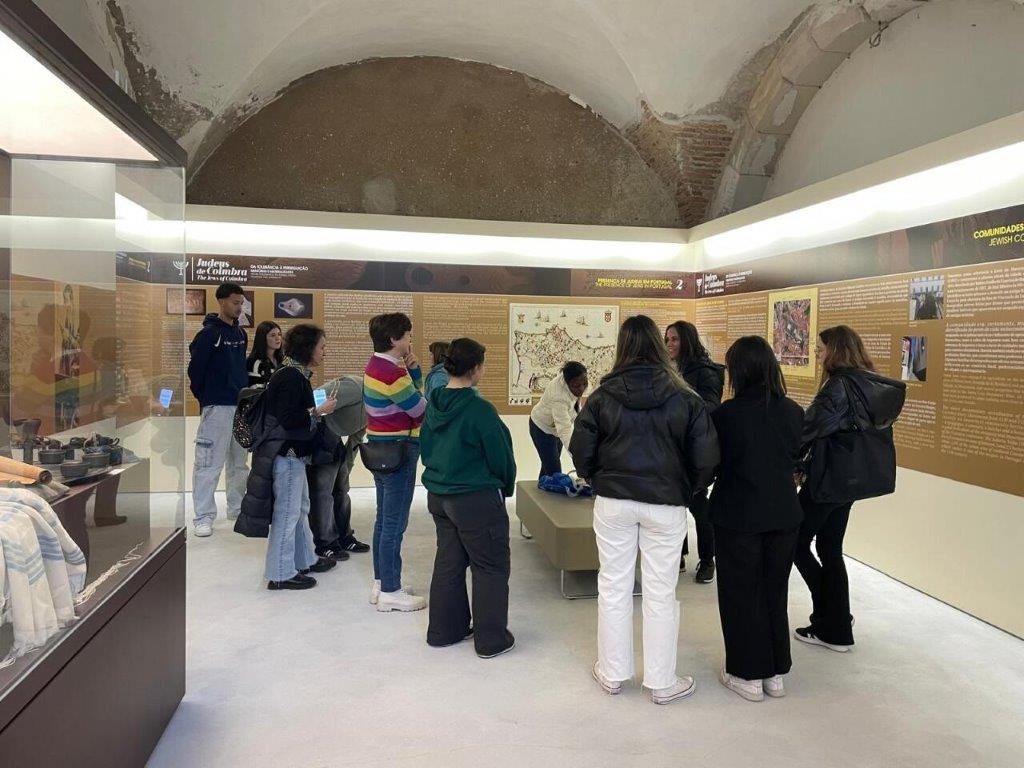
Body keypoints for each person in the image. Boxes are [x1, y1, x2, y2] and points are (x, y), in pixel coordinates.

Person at [569, 315, 719, 705]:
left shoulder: (601, 396)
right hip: (666, 504)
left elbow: (580, 450)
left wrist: (597, 478)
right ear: (657, 344)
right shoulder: (686, 397)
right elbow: (706, 457)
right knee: (661, 591)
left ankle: (612, 673)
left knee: (613, 585)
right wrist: (687, 488)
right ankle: (662, 682)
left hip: (614, 501)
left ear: (623, 346)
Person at [795, 325, 905, 652]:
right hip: (850, 482)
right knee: (830, 548)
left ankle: (834, 619)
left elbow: (807, 429)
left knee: (794, 542)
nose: (816, 353)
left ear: (836, 350)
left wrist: (790, 462)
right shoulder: (869, 384)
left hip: (828, 480)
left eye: (820, 348)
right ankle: (838, 625)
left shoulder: (838, 387)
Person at [709, 336, 804, 702]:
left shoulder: (726, 415)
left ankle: (748, 674)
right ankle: (775, 673)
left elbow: (712, 463)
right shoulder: (793, 411)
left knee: (741, 593)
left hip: (738, 514)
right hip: (783, 513)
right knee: (773, 591)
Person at [421, 338, 517, 658]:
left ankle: (444, 631)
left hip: (439, 495)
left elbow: (426, 448)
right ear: (476, 368)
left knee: (448, 563)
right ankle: (491, 639)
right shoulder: (480, 410)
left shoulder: (433, 403)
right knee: (489, 566)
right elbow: (501, 456)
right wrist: (504, 486)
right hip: (475, 498)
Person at [256, 324, 338, 590]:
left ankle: (304, 558)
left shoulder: (293, 374)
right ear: (308, 348)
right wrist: (318, 411)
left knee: (300, 509)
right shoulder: (291, 376)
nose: (324, 352)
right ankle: (280, 573)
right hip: (287, 454)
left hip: (293, 454)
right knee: (288, 513)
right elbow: (289, 419)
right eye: (322, 347)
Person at [363, 312, 428, 612]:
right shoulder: (392, 373)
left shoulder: (374, 365)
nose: (410, 341)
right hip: (399, 450)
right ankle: (391, 591)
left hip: (380, 449)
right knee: (394, 523)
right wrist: (415, 376)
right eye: (407, 336)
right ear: (394, 339)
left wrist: (412, 372)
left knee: (383, 519)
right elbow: (420, 410)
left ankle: (382, 581)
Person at [187, 283, 250, 537]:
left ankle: (236, 508)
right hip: (217, 408)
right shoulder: (208, 335)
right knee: (208, 464)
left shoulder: (241, 334)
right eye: (235, 302)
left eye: (241, 303)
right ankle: (203, 516)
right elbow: (195, 372)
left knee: (239, 463)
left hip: (240, 407)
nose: (239, 307)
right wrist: (207, 399)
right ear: (222, 302)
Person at [665, 320, 724, 583]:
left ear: (687, 340)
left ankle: (708, 559)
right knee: (674, 503)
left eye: (675, 339)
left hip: (695, 448)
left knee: (699, 506)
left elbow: (711, 407)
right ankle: (679, 554)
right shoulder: (669, 368)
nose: (669, 344)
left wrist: (681, 402)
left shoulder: (706, 371)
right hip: (673, 446)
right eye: (667, 339)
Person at [307, 375, 371, 560]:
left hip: (334, 440)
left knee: (342, 491)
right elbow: (316, 395)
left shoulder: (377, 405)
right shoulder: (355, 388)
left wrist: (347, 467)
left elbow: (356, 439)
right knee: (322, 495)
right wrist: (319, 416)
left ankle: (344, 537)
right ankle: (325, 543)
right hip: (320, 435)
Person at [529, 362, 588, 479]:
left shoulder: (577, 380)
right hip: (541, 428)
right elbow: (565, 430)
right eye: (577, 386)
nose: (581, 388)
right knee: (554, 470)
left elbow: (576, 408)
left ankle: (542, 486)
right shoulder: (559, 397)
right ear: (567, 383)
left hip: (555, 428)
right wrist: (579, 457)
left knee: (549, 464)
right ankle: (547, 488)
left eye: (584, 383)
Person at [247, 321, 284, 387]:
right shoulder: (253, 361)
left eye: (279, 334)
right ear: (263, 338)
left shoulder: (283, 359)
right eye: (273, 335)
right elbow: (255, 389)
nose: (278, 338)